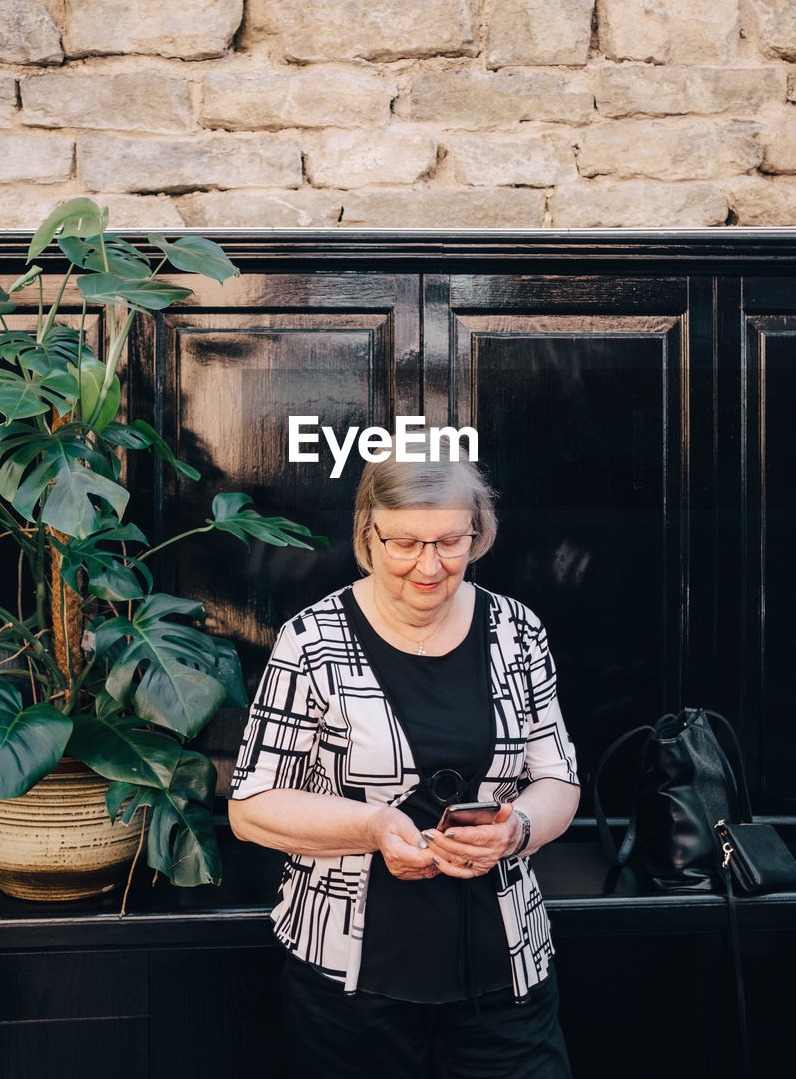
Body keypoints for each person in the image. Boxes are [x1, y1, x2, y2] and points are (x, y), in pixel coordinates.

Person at [228, 450, 579, 1078]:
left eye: (450, 541)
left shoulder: (516, 632)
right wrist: (373, 828)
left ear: (478, 533)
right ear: (369, 534)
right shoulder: (313, 640)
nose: (430, 564)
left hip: (505, 970)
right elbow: (251, 806)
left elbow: (558, 777)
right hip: (348, 981)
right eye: (406, 543)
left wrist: (517, 829)